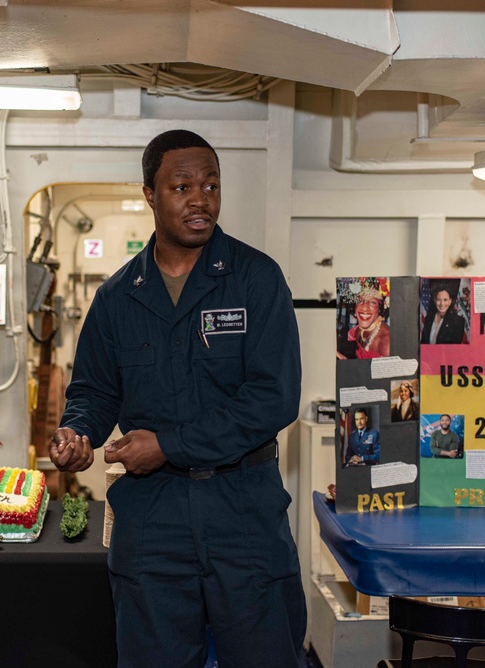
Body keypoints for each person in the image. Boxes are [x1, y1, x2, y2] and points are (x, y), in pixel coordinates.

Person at [49, 130, 305, 667]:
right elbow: (95, 390)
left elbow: (273, 398)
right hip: (153, 519)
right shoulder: (118, 296)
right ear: (150, 194)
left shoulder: (255, 279)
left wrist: (169, 443)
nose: (200, 198)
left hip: (244, 513)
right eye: (182, 185)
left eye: (210, 184)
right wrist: (80, 433)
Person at [343, 284, 389, 358]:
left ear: (380, 308)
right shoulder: (358, 330)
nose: (364, 308)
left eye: (372, 302)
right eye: (360, 301)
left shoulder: (387, 342)